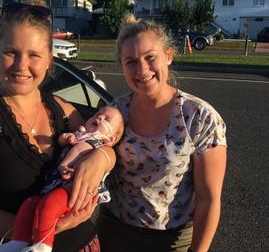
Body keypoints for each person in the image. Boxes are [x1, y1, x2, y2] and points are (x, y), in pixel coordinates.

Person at [0, 0, 116, 252]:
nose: (21, 65)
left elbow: (102, 145)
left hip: (83, 244)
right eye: (11, 53)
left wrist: (102, 157)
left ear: (49, 60)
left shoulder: (64, 111)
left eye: (33, 55)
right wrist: (47, 228)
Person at [96, 14, 227, 252]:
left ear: (168, 55)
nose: (142, 69)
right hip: (115, 233)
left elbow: (208, 199)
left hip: (173, 241)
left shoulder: (199, 117)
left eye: (150, 57)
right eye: (131, 62)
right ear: (122, 67)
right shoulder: (116, 112)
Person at [0, 106, 124, 252]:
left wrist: (101, 156)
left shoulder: (97, 145)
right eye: (98, 114)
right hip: (55, 186)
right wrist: (65, 138)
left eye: (107, 119)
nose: (100, 117)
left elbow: (94, 163)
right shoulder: (79, 135)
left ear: (111, 138)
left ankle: (42, 246)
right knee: (29, 204)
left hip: (73, 189)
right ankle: (18, 242)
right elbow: (62, 142)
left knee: (48, 205)